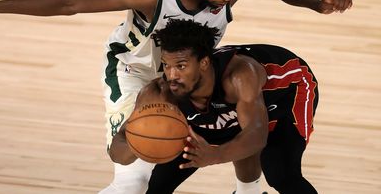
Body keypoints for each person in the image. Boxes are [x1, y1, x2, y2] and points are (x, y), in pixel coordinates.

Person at [0, 0, 349, 193]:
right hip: (135, 72)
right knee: (133, 178)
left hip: (190, 71)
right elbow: (71, 2)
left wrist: (317, 4)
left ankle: (248, 191)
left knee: (241, 124)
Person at [110, 19, 319, 194]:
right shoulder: (159, 93)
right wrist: (137, 144)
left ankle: (249, 190)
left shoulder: (239, 76)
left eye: (181, 66)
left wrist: (214, 155)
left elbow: (256, 136)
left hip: (286, 93)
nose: (172, 75)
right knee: (158, 185)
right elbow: (117, 149)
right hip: (230, 109)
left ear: (204, 63)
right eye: (167, 65)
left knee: (281, 173)